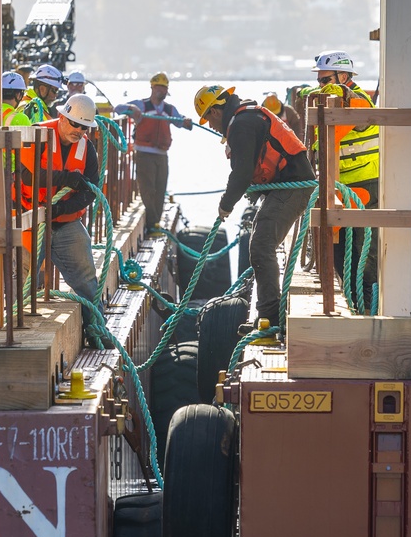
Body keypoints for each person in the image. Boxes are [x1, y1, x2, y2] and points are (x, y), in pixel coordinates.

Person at [194, 84, 316, 336]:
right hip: (284, 185)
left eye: (208, 119)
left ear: (216, 112)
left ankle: (270, 316)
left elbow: (241, 173)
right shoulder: (246, 117)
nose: (210, 126)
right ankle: (268, 314)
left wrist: (225, 205)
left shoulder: (241, 124)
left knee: (261, 245)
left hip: (292, 187)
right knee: (260, 243)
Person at [305, 52, 379, 311]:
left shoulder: (359, 102)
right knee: (338, 251)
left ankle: (368, 306)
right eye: (320, 80)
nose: (321, 86)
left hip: (365, 187)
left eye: (326, 80)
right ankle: (355, 302)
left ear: (344, 77)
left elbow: (325, 136)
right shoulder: (334, 100)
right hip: (340, 187)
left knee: (362, 253)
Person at [19, 92, 101, 309]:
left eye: (85, 127)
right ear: (62, 117)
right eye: (75, 124)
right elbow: (27, 175)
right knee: (24, 282)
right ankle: (17, 326)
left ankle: (96, 327)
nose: (79, 131)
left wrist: (62, 208)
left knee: (87, 280)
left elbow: (91, 190)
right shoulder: (37, 133)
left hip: (66, 222)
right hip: (32, 220)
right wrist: (67, 178)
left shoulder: (87, 148)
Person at [114, 72, 193, 234]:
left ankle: (155, 222)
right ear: (152, 87)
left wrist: (186, 121)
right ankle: (152, 223)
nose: (162, 91)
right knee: (147, 188)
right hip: (144, 154)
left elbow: (181, 122)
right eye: (160, 87)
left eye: (165, 88)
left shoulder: (169, 110)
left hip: (162, 155)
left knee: (160, 187)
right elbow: (118, 108)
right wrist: (130, 108)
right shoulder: (142, 106)